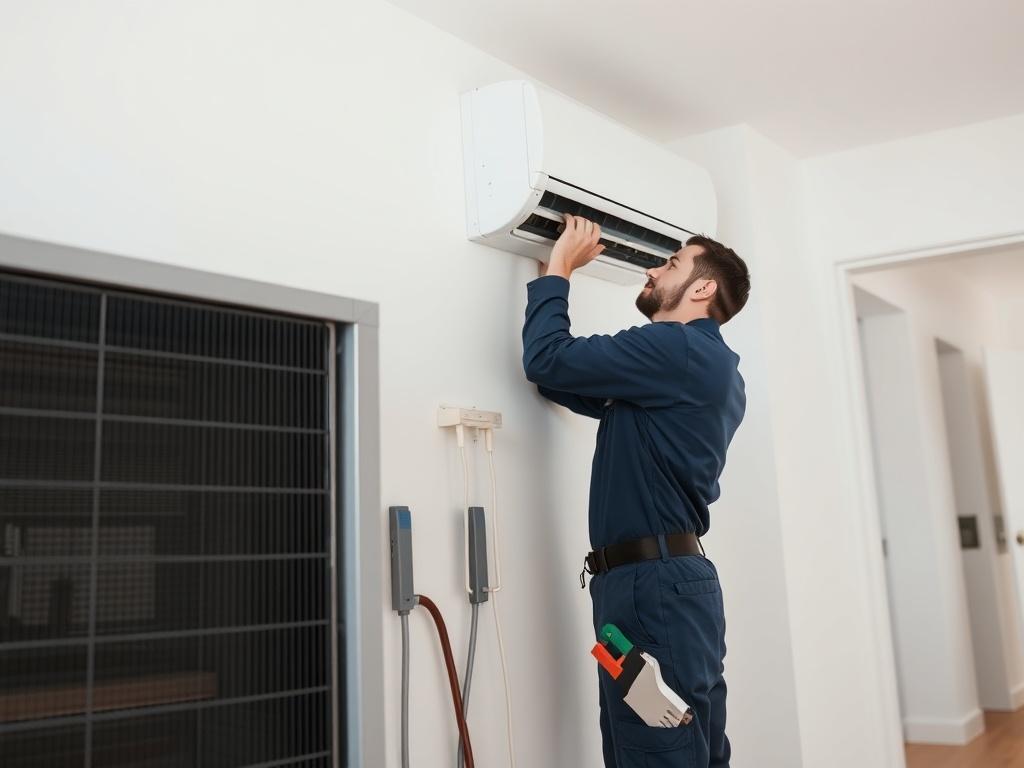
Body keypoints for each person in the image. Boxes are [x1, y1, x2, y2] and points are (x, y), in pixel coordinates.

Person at [521, 215, 749, 767]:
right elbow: (556, 377)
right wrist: (550, 284)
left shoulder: (677, 349)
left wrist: (559, 269)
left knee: (656, 750)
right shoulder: (702, 366)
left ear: (703, 287)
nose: (652, 270)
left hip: (651, 587)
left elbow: (546, 359)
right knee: (681, 745)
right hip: (658, 584)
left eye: (671, 263)